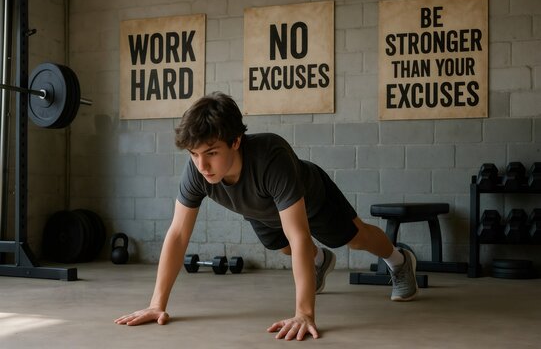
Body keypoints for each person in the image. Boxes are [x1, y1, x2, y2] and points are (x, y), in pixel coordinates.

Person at [114, 92, 418, 341]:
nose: (202, 165)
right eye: (194, 154)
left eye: (211, 152)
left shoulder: (271, 156)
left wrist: (304, 314)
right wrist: (157, 305)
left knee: (356, 239)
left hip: (311, 199)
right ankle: (319, 262)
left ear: (235, 141)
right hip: (260, 211)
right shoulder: (196, 171)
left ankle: (400, 261)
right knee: (283, 247)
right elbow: (178, 234)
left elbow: (299, 234)